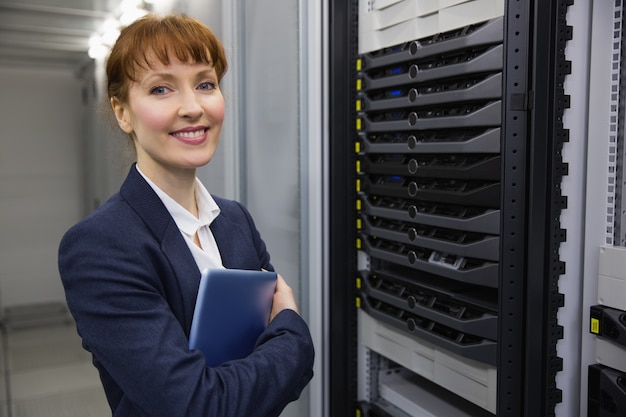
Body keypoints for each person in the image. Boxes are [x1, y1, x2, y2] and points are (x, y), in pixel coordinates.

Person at [58, 13, 314, 417]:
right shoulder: (100, 246)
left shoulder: (234, 220)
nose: (193, 107)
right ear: (122, 112)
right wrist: (294, 334)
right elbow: (199, 406)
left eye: (205, 84)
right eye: (161, 89)